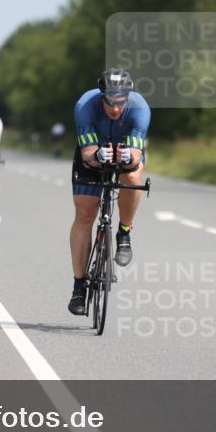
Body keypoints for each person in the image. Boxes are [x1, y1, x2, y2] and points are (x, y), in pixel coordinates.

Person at [68, 68, 150, 316]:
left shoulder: (140, 108)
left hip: (125, 151)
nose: (115, 108)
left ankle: (124, 232)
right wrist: (97, 155)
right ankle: (79, 287)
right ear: (102, 96)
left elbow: (136, 156)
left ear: (128, 96)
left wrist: (129, 158)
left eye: (121, 102)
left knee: (133, 175)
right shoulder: (85, 105)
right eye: (110, 102)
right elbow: (87, 154)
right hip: (93, 152)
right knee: (84, 215)